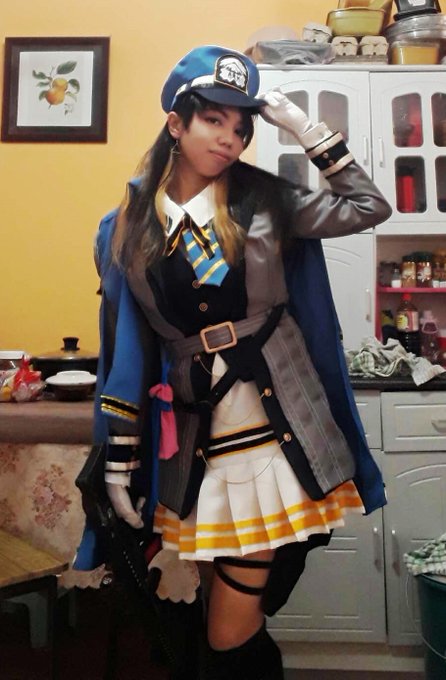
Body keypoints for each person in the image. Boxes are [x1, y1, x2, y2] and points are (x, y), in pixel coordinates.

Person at [76, 45, 392, 679]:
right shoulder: (125, 227)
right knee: (216, 615)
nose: (229, 138)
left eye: (242, 127)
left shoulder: (266, 201)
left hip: (276, 428)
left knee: (227, 626)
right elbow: (130, 349)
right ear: (176, 123)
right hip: (195, 441)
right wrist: (120, 457)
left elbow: (367, 207)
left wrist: (303, 128)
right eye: (214, 120)